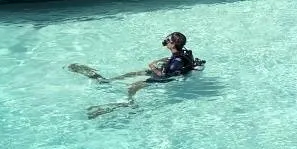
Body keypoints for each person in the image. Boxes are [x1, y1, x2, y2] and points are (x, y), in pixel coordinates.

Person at [69, 31, 205, 118]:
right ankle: (107, 81)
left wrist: (153, 66)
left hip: (165, 80)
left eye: (168, 40)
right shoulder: (181, 53)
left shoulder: (177, 60)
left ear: (174, 43)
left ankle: (129, 103)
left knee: (133, 86)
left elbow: (165, 77)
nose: (166, 41)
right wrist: (163, 62)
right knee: (137, 72)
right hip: (169, 71)